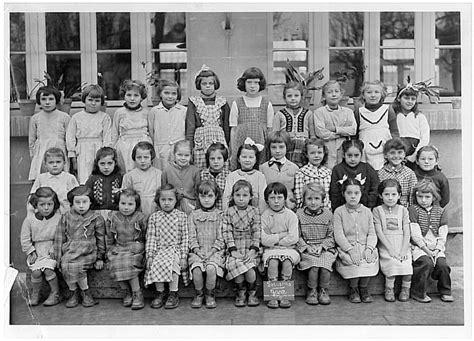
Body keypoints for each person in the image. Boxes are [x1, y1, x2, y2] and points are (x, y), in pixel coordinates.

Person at [53, 185, 106, 308]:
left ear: (90, 202)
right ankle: (74, 293)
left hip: (88, 251)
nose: (81, 205)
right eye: (77, 202)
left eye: (84, 202)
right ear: (72, 203)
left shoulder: (96, 218)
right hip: (70, 249)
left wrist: (100, 257)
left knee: (77, 266)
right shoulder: (66, 217)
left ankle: (86, 292)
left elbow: (101, 239)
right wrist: (58, 256)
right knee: (65, 264)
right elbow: (59, 237)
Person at [333, 177, 379, 303]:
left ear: (361, 194)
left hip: (365, 246)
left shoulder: (367, 212)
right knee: (353, 261)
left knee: (368, 260)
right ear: (343, 194)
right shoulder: (339, 212)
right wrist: (350, 250)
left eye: (356, 193)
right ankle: (353, 288)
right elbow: (339, 234)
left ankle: (363, 287)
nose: (353, 196)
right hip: (347, 247)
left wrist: (369, 249)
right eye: (349, 193)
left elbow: (372, 233)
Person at [144, 184, 189, 309]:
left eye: (170, 199)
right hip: (160, 249)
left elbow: (185, 238)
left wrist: (183, 256)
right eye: (163, 200)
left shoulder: (182, 216)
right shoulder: (154, 217)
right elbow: (151, 237)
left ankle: (173, 293)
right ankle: (160, 292)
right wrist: (150, 255)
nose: (167, 203)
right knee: (156, 263)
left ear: (176, 200)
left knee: (174, 263)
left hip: (175, 249)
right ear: (158, 200)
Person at [408, 179, 453, 303]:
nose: (423, 200)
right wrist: (427, 251)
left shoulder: (441, 211)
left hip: (436, 247)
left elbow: (443, 233)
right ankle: (418, 292)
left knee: (443, 265)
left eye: (427, 197)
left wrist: (437, 250)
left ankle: (445, 291)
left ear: (434, 197)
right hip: (420, 247)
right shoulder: (413, 210)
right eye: (420, 196)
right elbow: (415, 235)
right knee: (425, 263)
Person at [105, 189, 147, 310]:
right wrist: (108, 249)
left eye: (130, 204)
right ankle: (127, 291)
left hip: (135, 246)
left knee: (128, 262)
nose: (126, 207)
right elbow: (109, 236)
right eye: (123, 203)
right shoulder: (113, 217)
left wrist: (143, 247)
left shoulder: (140, 218)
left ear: (136, 205)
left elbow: (145, 235)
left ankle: (137, 293)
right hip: (118, 247)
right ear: (118, 203)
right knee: (114, 262)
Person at [222, 180, 261, 307]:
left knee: (250, 270)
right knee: (236, 267)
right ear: (232, 196)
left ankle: (252, 292)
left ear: (250, 197)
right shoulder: (228, 212)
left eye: (244, 196)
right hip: (235, 248)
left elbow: (257, 232)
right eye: (238, 195)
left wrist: (253, 250)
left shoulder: (255, 211)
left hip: (250, 248)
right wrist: (233, 250)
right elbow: (227, 232)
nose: (241, 199)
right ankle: (241, 292)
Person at [260, 182, 300, 309]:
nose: (276, 201)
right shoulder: (265, 216)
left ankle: (284, 295)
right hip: (270, 249)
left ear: (285, 198)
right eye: (272, 198)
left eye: (279, 197)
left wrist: (275, 239)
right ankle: (273, 294)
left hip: (289, 249)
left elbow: (293, 238)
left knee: (287, 261)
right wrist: (281, 235)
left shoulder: (291, 215)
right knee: (272, 262)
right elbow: (264, 240)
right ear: (267, 200)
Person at [296, 183, 337, 306]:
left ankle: (324, 290)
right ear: (304, 199)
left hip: (325, 248)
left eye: (316, 198)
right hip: (307, 249)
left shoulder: (328, 214)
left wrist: (322, 246)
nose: (313, 202)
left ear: (323, 200)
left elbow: (332, 235)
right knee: (314, 266)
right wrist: (306, 247)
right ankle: (312, 290)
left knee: (324, 266)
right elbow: (296, 235)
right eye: (309, 199)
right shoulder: (299, 214)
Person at [21, 187, 62, 306]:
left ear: (55, 204)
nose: (46, 208)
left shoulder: (59, 219)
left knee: (48, 270)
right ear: (35, 205)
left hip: (52, 249)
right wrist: (31, 251)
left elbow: (62, 235)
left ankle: (55, 293)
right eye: (42, 204)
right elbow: (25, 239)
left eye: (50, 204)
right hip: (37, 250)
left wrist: (55, 246)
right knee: (36, 272)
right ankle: (35, 294)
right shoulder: (29, 220)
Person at [188, 180, 225, 309]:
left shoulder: (220, 215)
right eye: (203, 196)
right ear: (198, 197)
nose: (207, 200)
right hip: (198, 250)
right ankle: (199, 294)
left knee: (211, 268)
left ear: (216, 197)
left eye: (210, 196)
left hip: (215, 251)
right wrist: (197, 250)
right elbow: (191, 236)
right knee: (197, 269)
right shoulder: (193, 215)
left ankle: (210, 294)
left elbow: (222, 237)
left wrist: (212, 251)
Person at [373, 179, 412, 302]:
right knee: (392, 263)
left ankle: (406, 289)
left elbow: (407, 231)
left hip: (402, 244)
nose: (390, 198)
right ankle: (389, 288)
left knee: (406, 265)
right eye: (386, 194)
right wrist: (390, 249)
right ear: (380, 195)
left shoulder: (403, 210)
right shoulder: (377, 210)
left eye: (394, 194)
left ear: (399, 195)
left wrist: (404, 249)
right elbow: (379, 232)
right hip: (386, 244)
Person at [185, 65, 230, 170]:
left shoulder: (222, 102)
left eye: (211, 83)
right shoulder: (193, 102)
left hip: (219, 137)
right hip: (200, 139)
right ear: (199, 85)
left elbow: (227, 126)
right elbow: (190, 127)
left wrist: (227, 143)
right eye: (204, 84)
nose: (208, 86)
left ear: (215, 85)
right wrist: (189, 147)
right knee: (201, 165)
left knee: (219, 162)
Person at [66, 84, 112, 184]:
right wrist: (73, 157)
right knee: (84, 177)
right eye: (90, 100)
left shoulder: (105, 117)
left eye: (97, 101)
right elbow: (70, 137)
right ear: (84, 100)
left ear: (101, 102)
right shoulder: (76, 117)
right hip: (82, 151)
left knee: (99, 177)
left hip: (99, 151)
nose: (93, 103)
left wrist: (105, 154)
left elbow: (107, 137)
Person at [229, 67, 274, 169]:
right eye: (249, 82)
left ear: (260, 84)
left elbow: (270, 130)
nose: (252, 86)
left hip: (261, 143)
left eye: (256, 82)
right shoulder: (237, 103)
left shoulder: (267, 104)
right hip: (241, 142)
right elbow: (233, 129)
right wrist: (233, 150)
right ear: (244, 83)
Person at [353, 80, 399, 171]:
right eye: (369, 92)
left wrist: (395, 148)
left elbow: (394, 131)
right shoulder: (359, 111)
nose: (373, 95)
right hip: (365, 150)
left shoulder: (388, 110)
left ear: (382, 94)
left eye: (376, 92)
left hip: (385, 149)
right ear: (363, 95)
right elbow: (355, 133)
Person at [28, 86, 71, 181]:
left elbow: (69, 139)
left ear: (57, 100)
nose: (47, 102)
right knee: (42, 178)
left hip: (59, 150)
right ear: (39, 101)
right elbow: (32, 140)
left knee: (61, 178)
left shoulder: (64, 117)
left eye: (51, 99)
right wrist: (33, 156)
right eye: (43, 99)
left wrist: (70, 156)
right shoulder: (35, 118)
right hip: (41, 151)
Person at [313, 80, 357, 169]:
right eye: (329, 92)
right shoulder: (319, 112)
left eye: (336, 91)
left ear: (341, 94)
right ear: (324, 96)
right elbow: (321, 132)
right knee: (328, 170)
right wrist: (342, 132)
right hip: (327, 147)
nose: (333, 95)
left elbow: (353, 130)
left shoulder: (348, 112)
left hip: (343, 147)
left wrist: (335, 129)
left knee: (343, 171)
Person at [111, 80, 152, 173]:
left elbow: (151, 131)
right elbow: (114, 133)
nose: (132, 99)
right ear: (124, 96)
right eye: (129, 95)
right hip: (124, 146)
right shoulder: (119, 113)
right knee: (126, 171)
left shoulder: (146, 113)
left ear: (142, 97)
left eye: (136, 95)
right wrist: (113, 149)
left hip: (143, 145)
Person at [329, 139, 379, 212]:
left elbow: (375, 187)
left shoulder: (367, 168)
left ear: (361, 155)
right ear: (343, 154)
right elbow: (334, 192)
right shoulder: (338, 169)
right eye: (349, 155)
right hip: (343, 210)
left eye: (356, 155)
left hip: (364, 209)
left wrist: (369, 205)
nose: (353, 159)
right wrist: (337, 209)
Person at [391, 79, 430, 168]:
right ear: (398, 98)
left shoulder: (419, 117)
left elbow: (425, 137)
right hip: (397, 151)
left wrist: (415, 155)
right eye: (406, 98)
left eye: (413, 99)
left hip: (415, 152)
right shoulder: (394, 115)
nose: (410, 101)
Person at [148, 79, 186, 170]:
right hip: (160, 149)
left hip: (178, 149)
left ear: (177, 95)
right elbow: (151, 131)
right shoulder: (155, 111)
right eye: (166, 93)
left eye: (173, 94)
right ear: (160, 94)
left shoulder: (183, 111)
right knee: (161, 173)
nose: (170, 96)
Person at [272, 81, 312, 167]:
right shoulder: (279, 114)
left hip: (303, 147)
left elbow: (312, 135)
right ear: (284, 98)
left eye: (296, 95)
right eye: (289, 96)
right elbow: (275, 135)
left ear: (301, 97)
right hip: (285, 147)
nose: (293, 98)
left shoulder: (308, 114)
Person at [28, 147, 79, 215]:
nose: (55, 165)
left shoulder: (69, 178)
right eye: (51, 162)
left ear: (64, 163)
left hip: (65, 215)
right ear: (45, 164)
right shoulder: (41, 178)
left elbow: (77, 197)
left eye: (58, 162)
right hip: (45, 214)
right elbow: (32, 198)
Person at [222, 138, 267, 213]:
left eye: (251, 157)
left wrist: (260, 215)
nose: (247, 160)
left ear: (256, 160)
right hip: (234, 214)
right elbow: (227, 197)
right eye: (244, 157)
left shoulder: (260, 176)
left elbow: (262, 199)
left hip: (255, 215)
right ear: (238, 159)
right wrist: (227, 214)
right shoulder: (232, 176)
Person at [259, 131, 299, 210]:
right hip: (269, 208)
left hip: (288, 208)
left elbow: (296, 191)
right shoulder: (263, 168)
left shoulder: (294, 168)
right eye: (274, 147)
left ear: (287, 147)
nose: (277, 151)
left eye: (281, 147)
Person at [121, 141, 162, 217]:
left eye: (146, 157)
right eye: (139, 157)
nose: (142, 161)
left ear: (151, 157)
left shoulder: (159, 174)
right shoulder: (129, 176)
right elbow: (125, 196)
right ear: (134, 158)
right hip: (137, 211)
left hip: (155, 210)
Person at [161, 140, 201, 215]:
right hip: (172, 206)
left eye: (186, 155)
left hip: (191, 206)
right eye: (179, 155)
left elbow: (197, 191)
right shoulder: (167, 171)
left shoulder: (195, 171)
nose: (183, 158)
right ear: (174, 154)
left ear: (191, 156)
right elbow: (163, 191)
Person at [377, 138, 418, 207]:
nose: (396, 156)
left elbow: (412, 195)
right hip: (385, 208)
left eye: (400, 152)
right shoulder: (380, 173)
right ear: (385, 155)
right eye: (392, 153)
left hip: (404, 209)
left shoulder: (409, 173)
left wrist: (411, 211)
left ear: (404, 154)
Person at [85, 147, 122, 221]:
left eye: (110, 163)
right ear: (97, 164)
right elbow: (86, 195)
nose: (106, 167)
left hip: (116, 214)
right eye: (102, 163)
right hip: (96, 214)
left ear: (115, 163)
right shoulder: (92, 179)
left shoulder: (120, 178)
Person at [294, 138, 332, 210]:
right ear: (307, 154)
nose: (316, 155)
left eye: (319, 152)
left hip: (325, 211)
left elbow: (329, 195)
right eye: (312, 153)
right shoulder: (301, 173)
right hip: (307, 212)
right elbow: (299, 196)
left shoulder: (328, 172)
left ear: (324, 153)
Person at [200, 142, 231, 210]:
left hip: (223, 212)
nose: (216, 161)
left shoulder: (229, 176)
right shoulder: (203, 175)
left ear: (224, 159)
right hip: (206, 213)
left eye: (219, 158)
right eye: (212, 159)